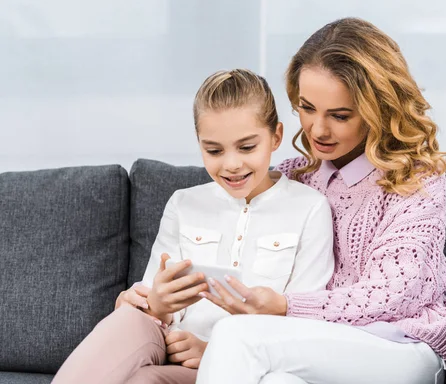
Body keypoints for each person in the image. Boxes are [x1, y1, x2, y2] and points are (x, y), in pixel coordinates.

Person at [195, 18, 446, 384]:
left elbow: (394, 293)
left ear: (379, 110)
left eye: (340, 115)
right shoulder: (294, 176)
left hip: (405, 343)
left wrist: (285, 307)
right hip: (318, 342)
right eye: (307, 108)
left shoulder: (415, 178)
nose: (318, 129)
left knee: (237, 337)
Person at [52, 69, 335, 384]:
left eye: (246, 147)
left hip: (250, 368)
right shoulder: (183, 204)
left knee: (144, 381)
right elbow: (152, 297)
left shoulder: (309, 208)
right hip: (172, 349)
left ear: (276, 136)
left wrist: (215, 351)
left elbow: (305, 323)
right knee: (131, 318)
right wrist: (156, 305)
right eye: (214, 150)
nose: (231, 164)